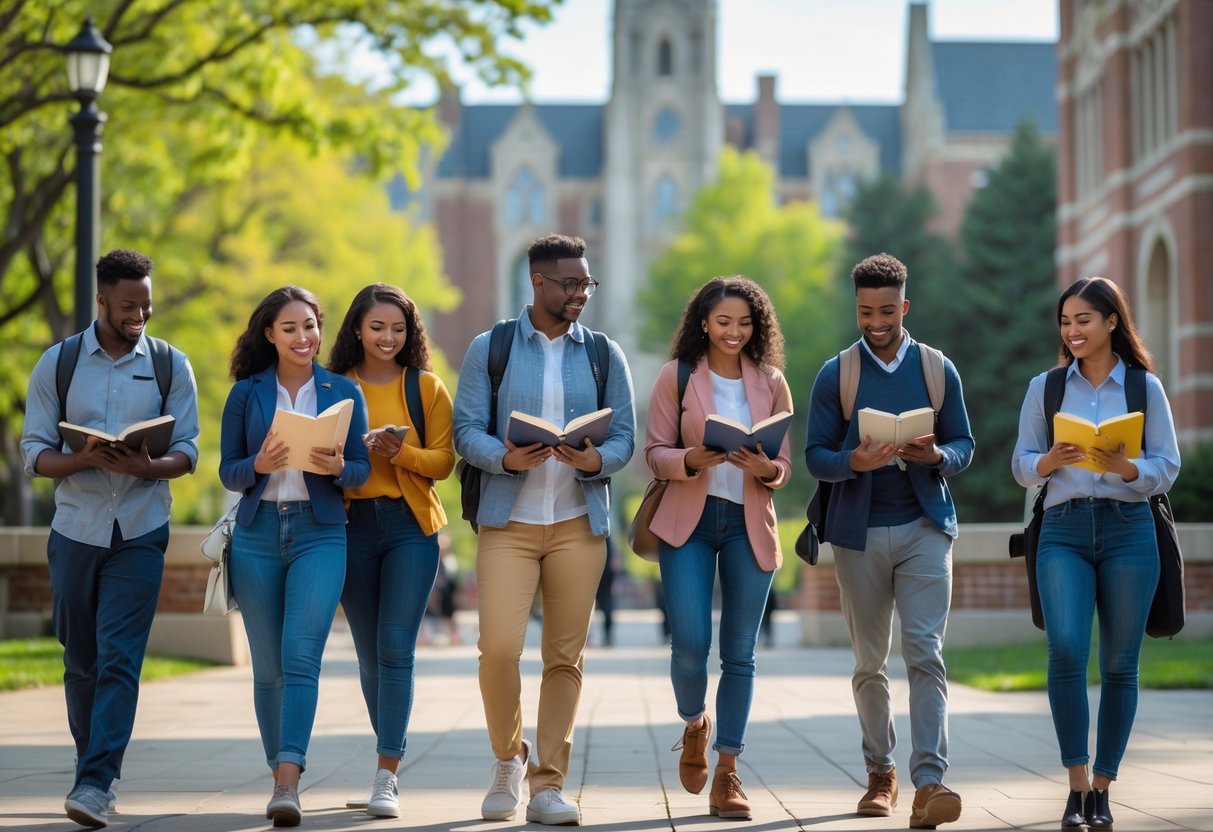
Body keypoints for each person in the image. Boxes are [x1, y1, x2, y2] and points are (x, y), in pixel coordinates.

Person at [453, 233, 635, 826]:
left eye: (586, 283)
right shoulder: (492, 347)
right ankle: (508, 759)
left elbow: (625, 437)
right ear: (538, 282)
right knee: (499, 650)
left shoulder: (605, 354)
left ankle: (548, 784)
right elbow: (466, 430)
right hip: (508, 521)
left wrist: (596, 460)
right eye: (570, 283)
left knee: (565, 657)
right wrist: (505, 457)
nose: (581, 293)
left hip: (579, 523)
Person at [20, 248, 200, 829]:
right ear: (101, 299)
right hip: (75, 528)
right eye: (128, 306)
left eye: (146, 305)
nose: (140, 316)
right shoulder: (59, 363)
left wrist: (149, 467)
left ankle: (97, 781)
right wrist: (83, 460)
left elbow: (189, 450)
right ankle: (89, 764)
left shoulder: (172, 365)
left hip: (141, 529)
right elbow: (33, 453)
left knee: (121, 657)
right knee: (82, 661)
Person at [805, 253, 973, 829]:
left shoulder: (935, 368)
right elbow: (815, 458)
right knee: (870, 663)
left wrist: (937, 456)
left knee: (925, 653)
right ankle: (882, 773)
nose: (875, 322)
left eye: (885, 311)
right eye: (864, 312)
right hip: (860, 534)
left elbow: (964, 444)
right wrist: (853, 459)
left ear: (904, 306)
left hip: (926, 528)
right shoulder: (837, 374)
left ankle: (931, 781)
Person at [1011, 277, 1180, 830]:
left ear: (1112, 322)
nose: (1072, 330)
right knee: (1065, 649)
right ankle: (1075, 784)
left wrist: (1127, 469)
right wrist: (1048, 460)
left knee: (1119, 665)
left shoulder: (1143, 388)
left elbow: (1167, 466)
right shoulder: (1047, 387)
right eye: (1065, 321)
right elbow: (1021, 463)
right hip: (1063, 529)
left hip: (1131, 529)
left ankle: (1103, 787)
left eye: (1084, 319)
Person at [219, 285, 370, 827]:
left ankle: (288, 781)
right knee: (268, 669)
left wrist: (337, 469)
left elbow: (361, 470)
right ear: (269, 335)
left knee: (301, 657)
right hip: (258, 535)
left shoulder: (342, 391)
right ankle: (279, 765)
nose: (303, 338)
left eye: (310, 326)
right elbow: (227, 472)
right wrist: (258, 463)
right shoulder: (246, 394)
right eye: (290, 328)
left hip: (320, 533)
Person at [644, 276, 793, 821]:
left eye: (745, 323)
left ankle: (728, 771)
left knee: (740, 654)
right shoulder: (677, 377)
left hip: (749, 522)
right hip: (689, 519)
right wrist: (690, 460)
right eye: (724, 321)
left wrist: (765, 469)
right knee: (689, 642)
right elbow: (654, 452)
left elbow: (785, 466)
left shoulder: (772, 381)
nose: (734, 332)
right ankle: (693, 724)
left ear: (757, 327)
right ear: (703, 322)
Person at [326, 283, 455, 818]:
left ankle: (386, 774)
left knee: (396, 647)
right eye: (377, 327)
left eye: (398, 328)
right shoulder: (332, 386)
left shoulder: (425, 387)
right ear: (357, 327)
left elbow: (445, 462)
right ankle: (391, 755)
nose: (387, 337)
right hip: (350, 527)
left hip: (411, 528)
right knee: (368, 655)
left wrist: (400, 452)